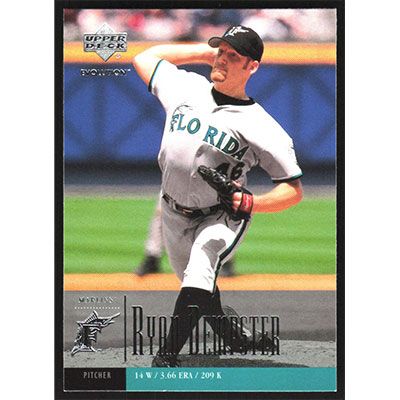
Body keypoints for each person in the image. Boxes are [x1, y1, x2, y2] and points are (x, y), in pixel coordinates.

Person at [132, 25, 303, 367]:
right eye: (221, 51)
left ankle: (166, 356)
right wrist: (203, 51)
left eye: (233, 55)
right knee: (198, 285)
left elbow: (292, 190)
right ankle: (234, 336)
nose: (222, 59)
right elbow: (144, 57)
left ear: (252, 66)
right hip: (172, 211)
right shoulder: (185, 86)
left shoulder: (262, 125)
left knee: (200, 270)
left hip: (220, 213)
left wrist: (252, 203)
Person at [134, 197, 236, 277]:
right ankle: (152, 258)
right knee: (161, 213)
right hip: (178, 183)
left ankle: (225, 261)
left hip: (211, 186)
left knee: (220, 215)